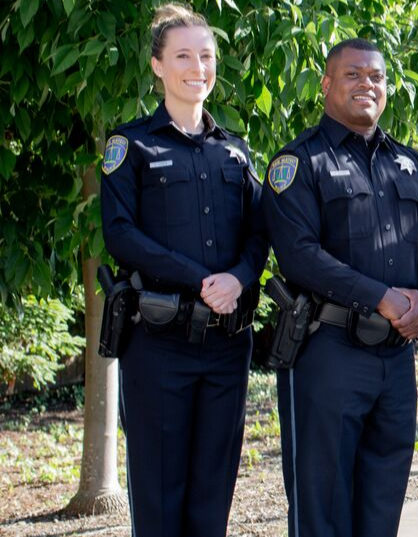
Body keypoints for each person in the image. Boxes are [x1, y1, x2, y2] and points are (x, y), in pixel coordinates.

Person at [262, 38, 418, 537]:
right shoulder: (299, 163)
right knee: (322, 499)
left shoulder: (409, 163)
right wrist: (382, 296)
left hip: (397, 357)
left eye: (376, 77)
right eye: (352, 75)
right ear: (327, 85)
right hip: (327, 352)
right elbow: (300, 255)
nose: (366, 84)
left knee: (384, 493)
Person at [99, 4, 268, 535]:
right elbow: (121, 234)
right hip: (158, 343)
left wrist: (239, 278)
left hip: (225, 344)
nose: (198, 66)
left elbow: (262, 230)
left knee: (212, 490)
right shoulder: (131, 146)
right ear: (157, 66)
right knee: (159, 491)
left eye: (206, 55)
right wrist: (201, 280)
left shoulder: (235, 151)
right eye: (183, 56)